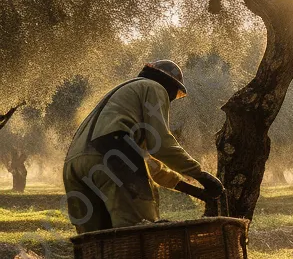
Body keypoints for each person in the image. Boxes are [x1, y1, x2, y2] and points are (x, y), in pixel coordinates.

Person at [63, 60, 223, 234]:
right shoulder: (155, 88)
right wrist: (200, 174)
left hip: (74, 164)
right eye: (173, 94)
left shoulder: (125, 97)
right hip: (112, 155)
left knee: (93, 240)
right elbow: (161, 145)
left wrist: (194, 191)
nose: (170, 100)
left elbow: (149, 165)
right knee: (138, 232)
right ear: (170, 85)